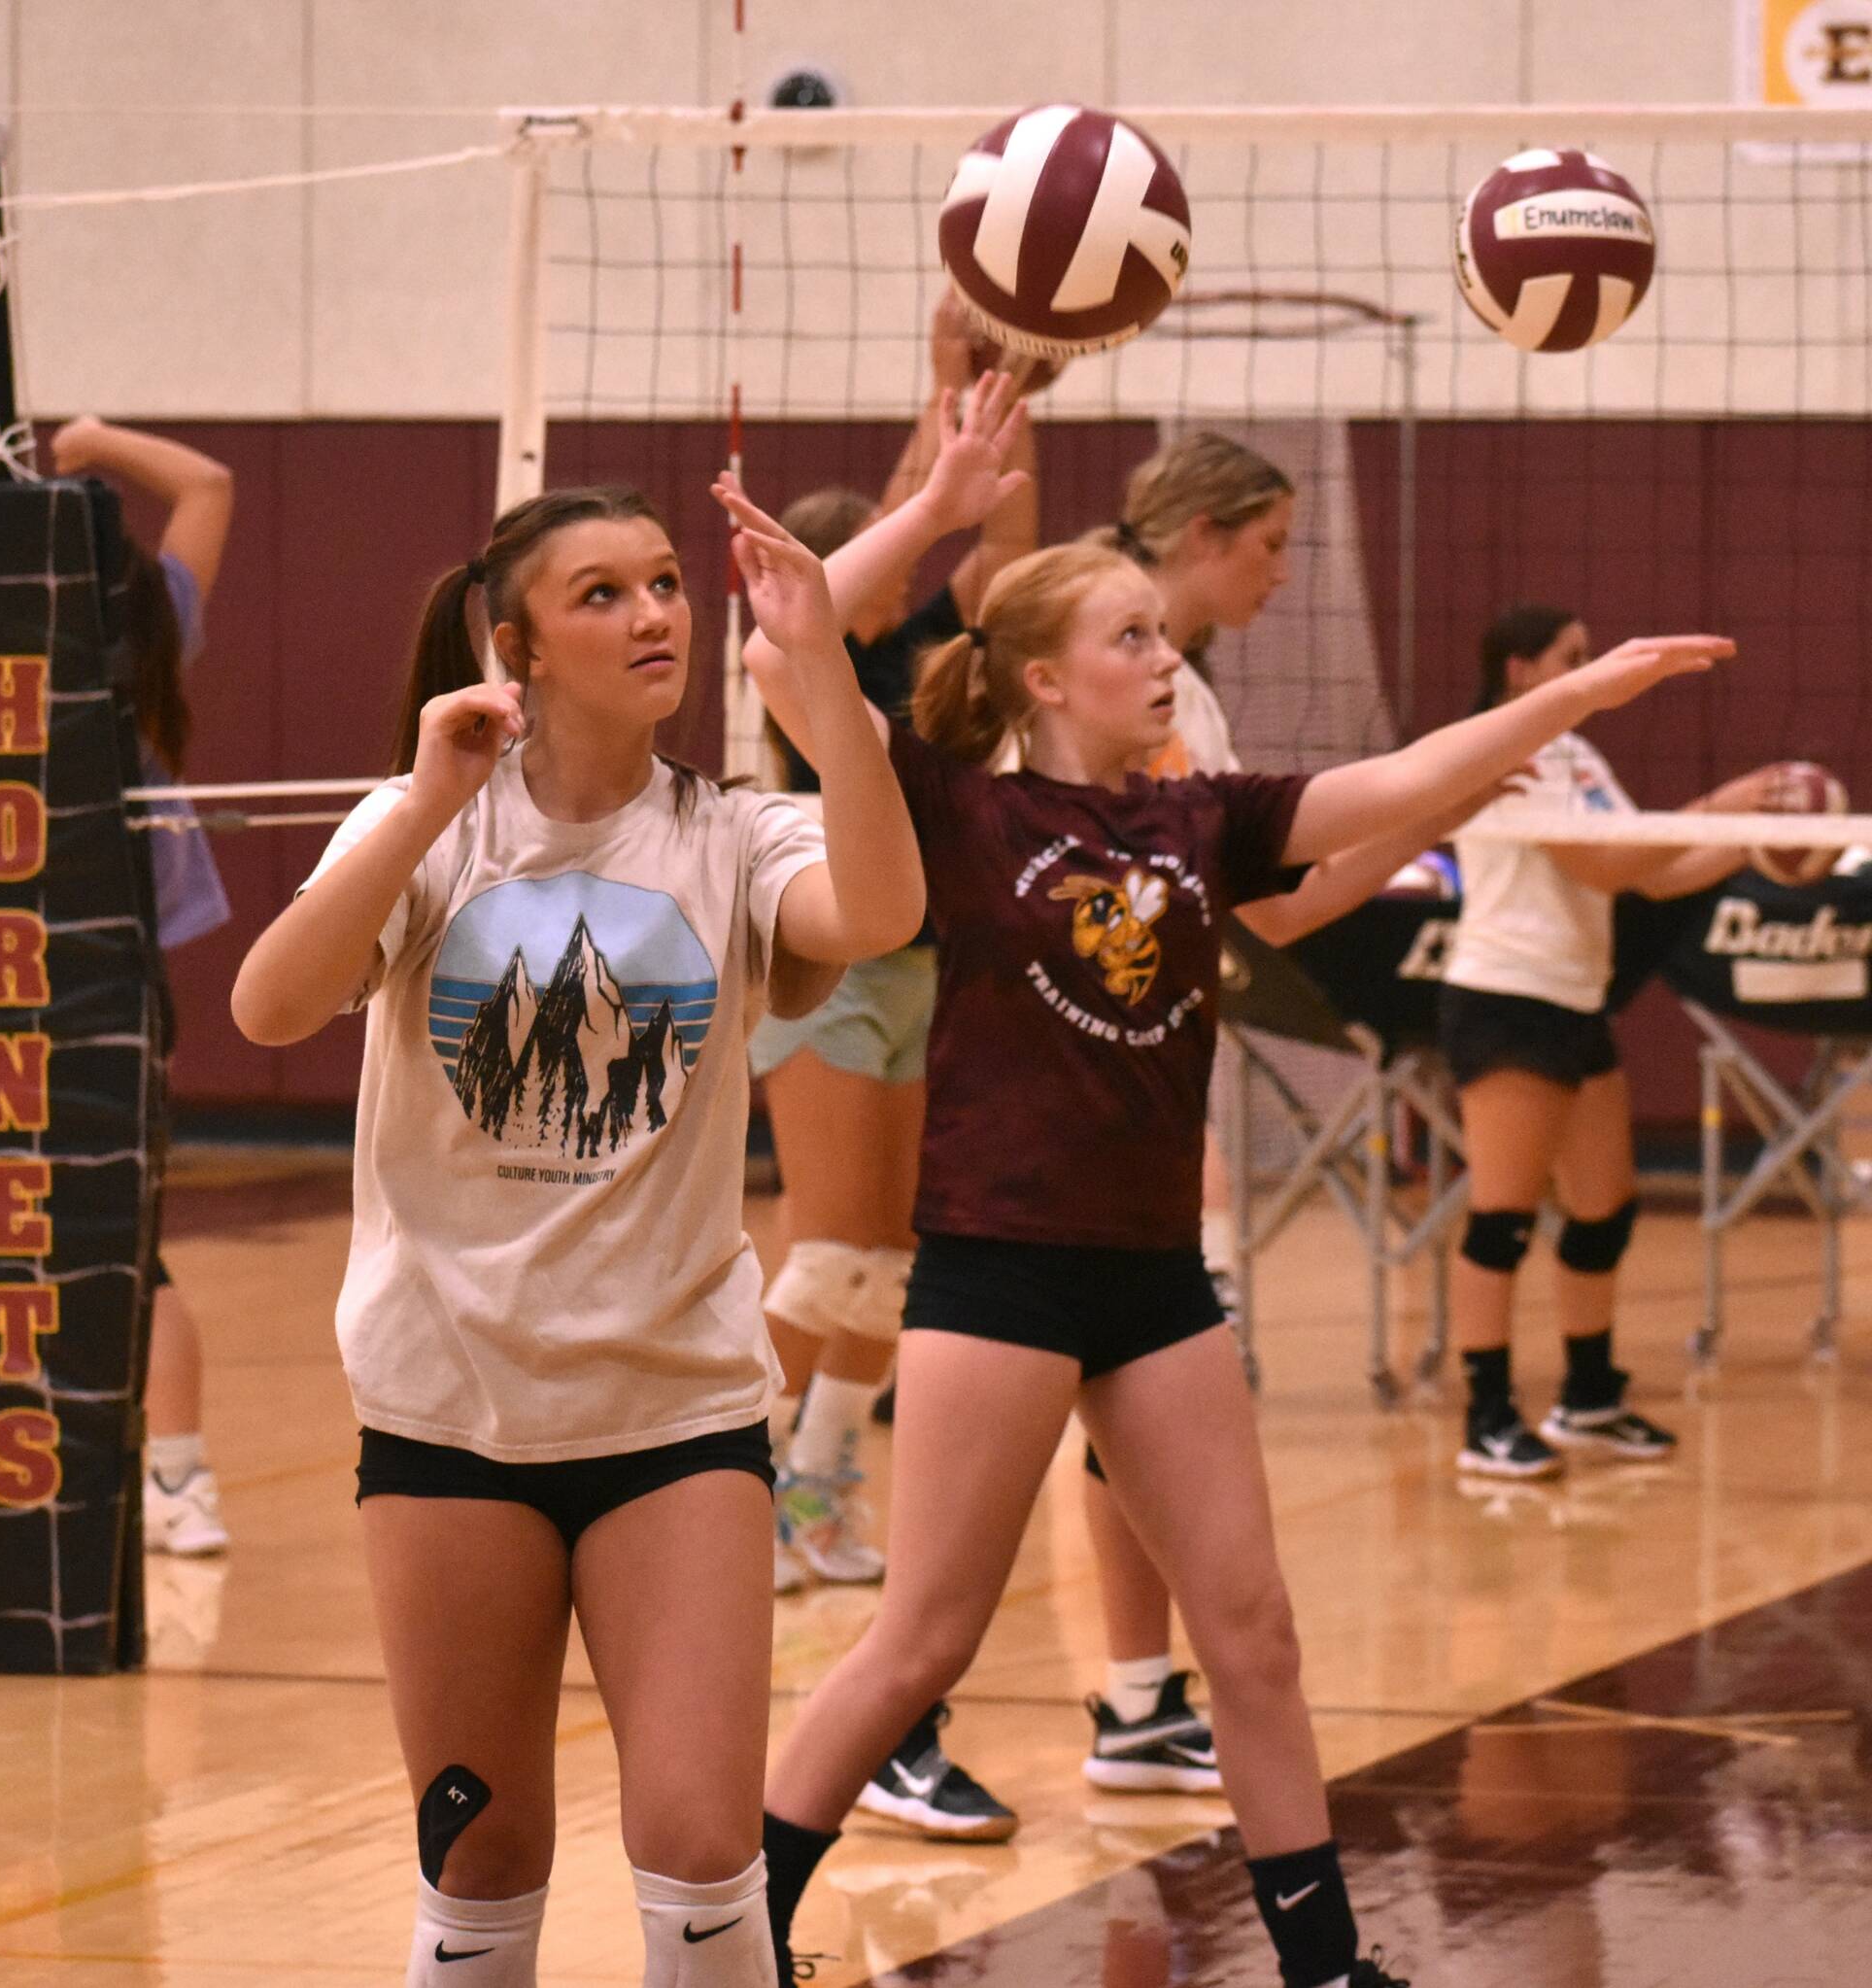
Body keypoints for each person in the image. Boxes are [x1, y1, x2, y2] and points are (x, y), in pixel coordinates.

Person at [732, 473, 1729, 1988]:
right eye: (1131, 635)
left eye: (1159, 633)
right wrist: (934, 496)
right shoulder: (960, 802)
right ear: (1047, 676)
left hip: (1152, 1283)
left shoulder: (1204, 819)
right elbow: (789, 653)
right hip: (997, 1268)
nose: (1161, 660)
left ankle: (1324, 1965)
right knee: (924, 1638)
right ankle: (730, 1934)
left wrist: (1575, 695)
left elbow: (1397, 783)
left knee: (1254, 1630)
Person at [229, 482, 922, 1988]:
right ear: (514, 646)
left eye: (666, 583)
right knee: (479, 1853)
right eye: (601, 593)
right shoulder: (427, 831)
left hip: (674, 1409)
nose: (654, 613)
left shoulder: (736, 832)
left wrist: (831, 686)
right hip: (450, 1407)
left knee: (695, 1840)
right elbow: (269, 1006)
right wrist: (420, 800)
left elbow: (878, 908)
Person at [1071, 432, 1505, 1802]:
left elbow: (1274, 905)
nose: (1283, 569)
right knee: (1068, 1400)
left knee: (1124, 1402)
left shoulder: (1170, 679)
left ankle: (1140, 1700)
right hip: (1069, 1075)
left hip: (1134, 1072)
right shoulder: (1115, 656)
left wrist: (1441, 797)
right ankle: (955, 1714)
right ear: (1200, 529)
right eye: (1269, 542)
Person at [0, 417, 236, 1556]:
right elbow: (211, 482)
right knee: (128, 1239)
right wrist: (93, 443)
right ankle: (176, 1487)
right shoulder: (149, 627)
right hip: (119, 984)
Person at [752, 303, 1039, 1607]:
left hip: (927, 965)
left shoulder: (933, 660)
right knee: (827, 1249)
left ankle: (817, 1485)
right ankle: (736, 1474)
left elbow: (1007, 553)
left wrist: (998, 394)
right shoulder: (816, 664)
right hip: (832, 961)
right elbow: (888, 543)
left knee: (888, 1261)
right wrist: (937, 383)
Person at [1443, 603, 1780, 1481]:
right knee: (1504, 1217)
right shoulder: (1503, 742)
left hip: (1572, 997)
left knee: (1604, 1207)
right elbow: (1601, 863)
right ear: (1520, 668)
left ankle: (1587, 1398)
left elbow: (1653, 872)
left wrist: (1753, 836)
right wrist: (1722, 806)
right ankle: (1485, 1415)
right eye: (1574, 656)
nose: (1592, 669)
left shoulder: (1576, 751)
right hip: (1507, 997)